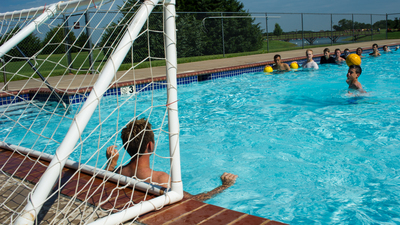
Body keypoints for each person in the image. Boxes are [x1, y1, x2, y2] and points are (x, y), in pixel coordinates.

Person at [106, 118, 238, 201]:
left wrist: (111, 163)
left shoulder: (118, 171)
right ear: (150, 145)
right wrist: (224, 186)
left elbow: (104, 181)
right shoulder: (160, 178)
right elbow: (194, 199)